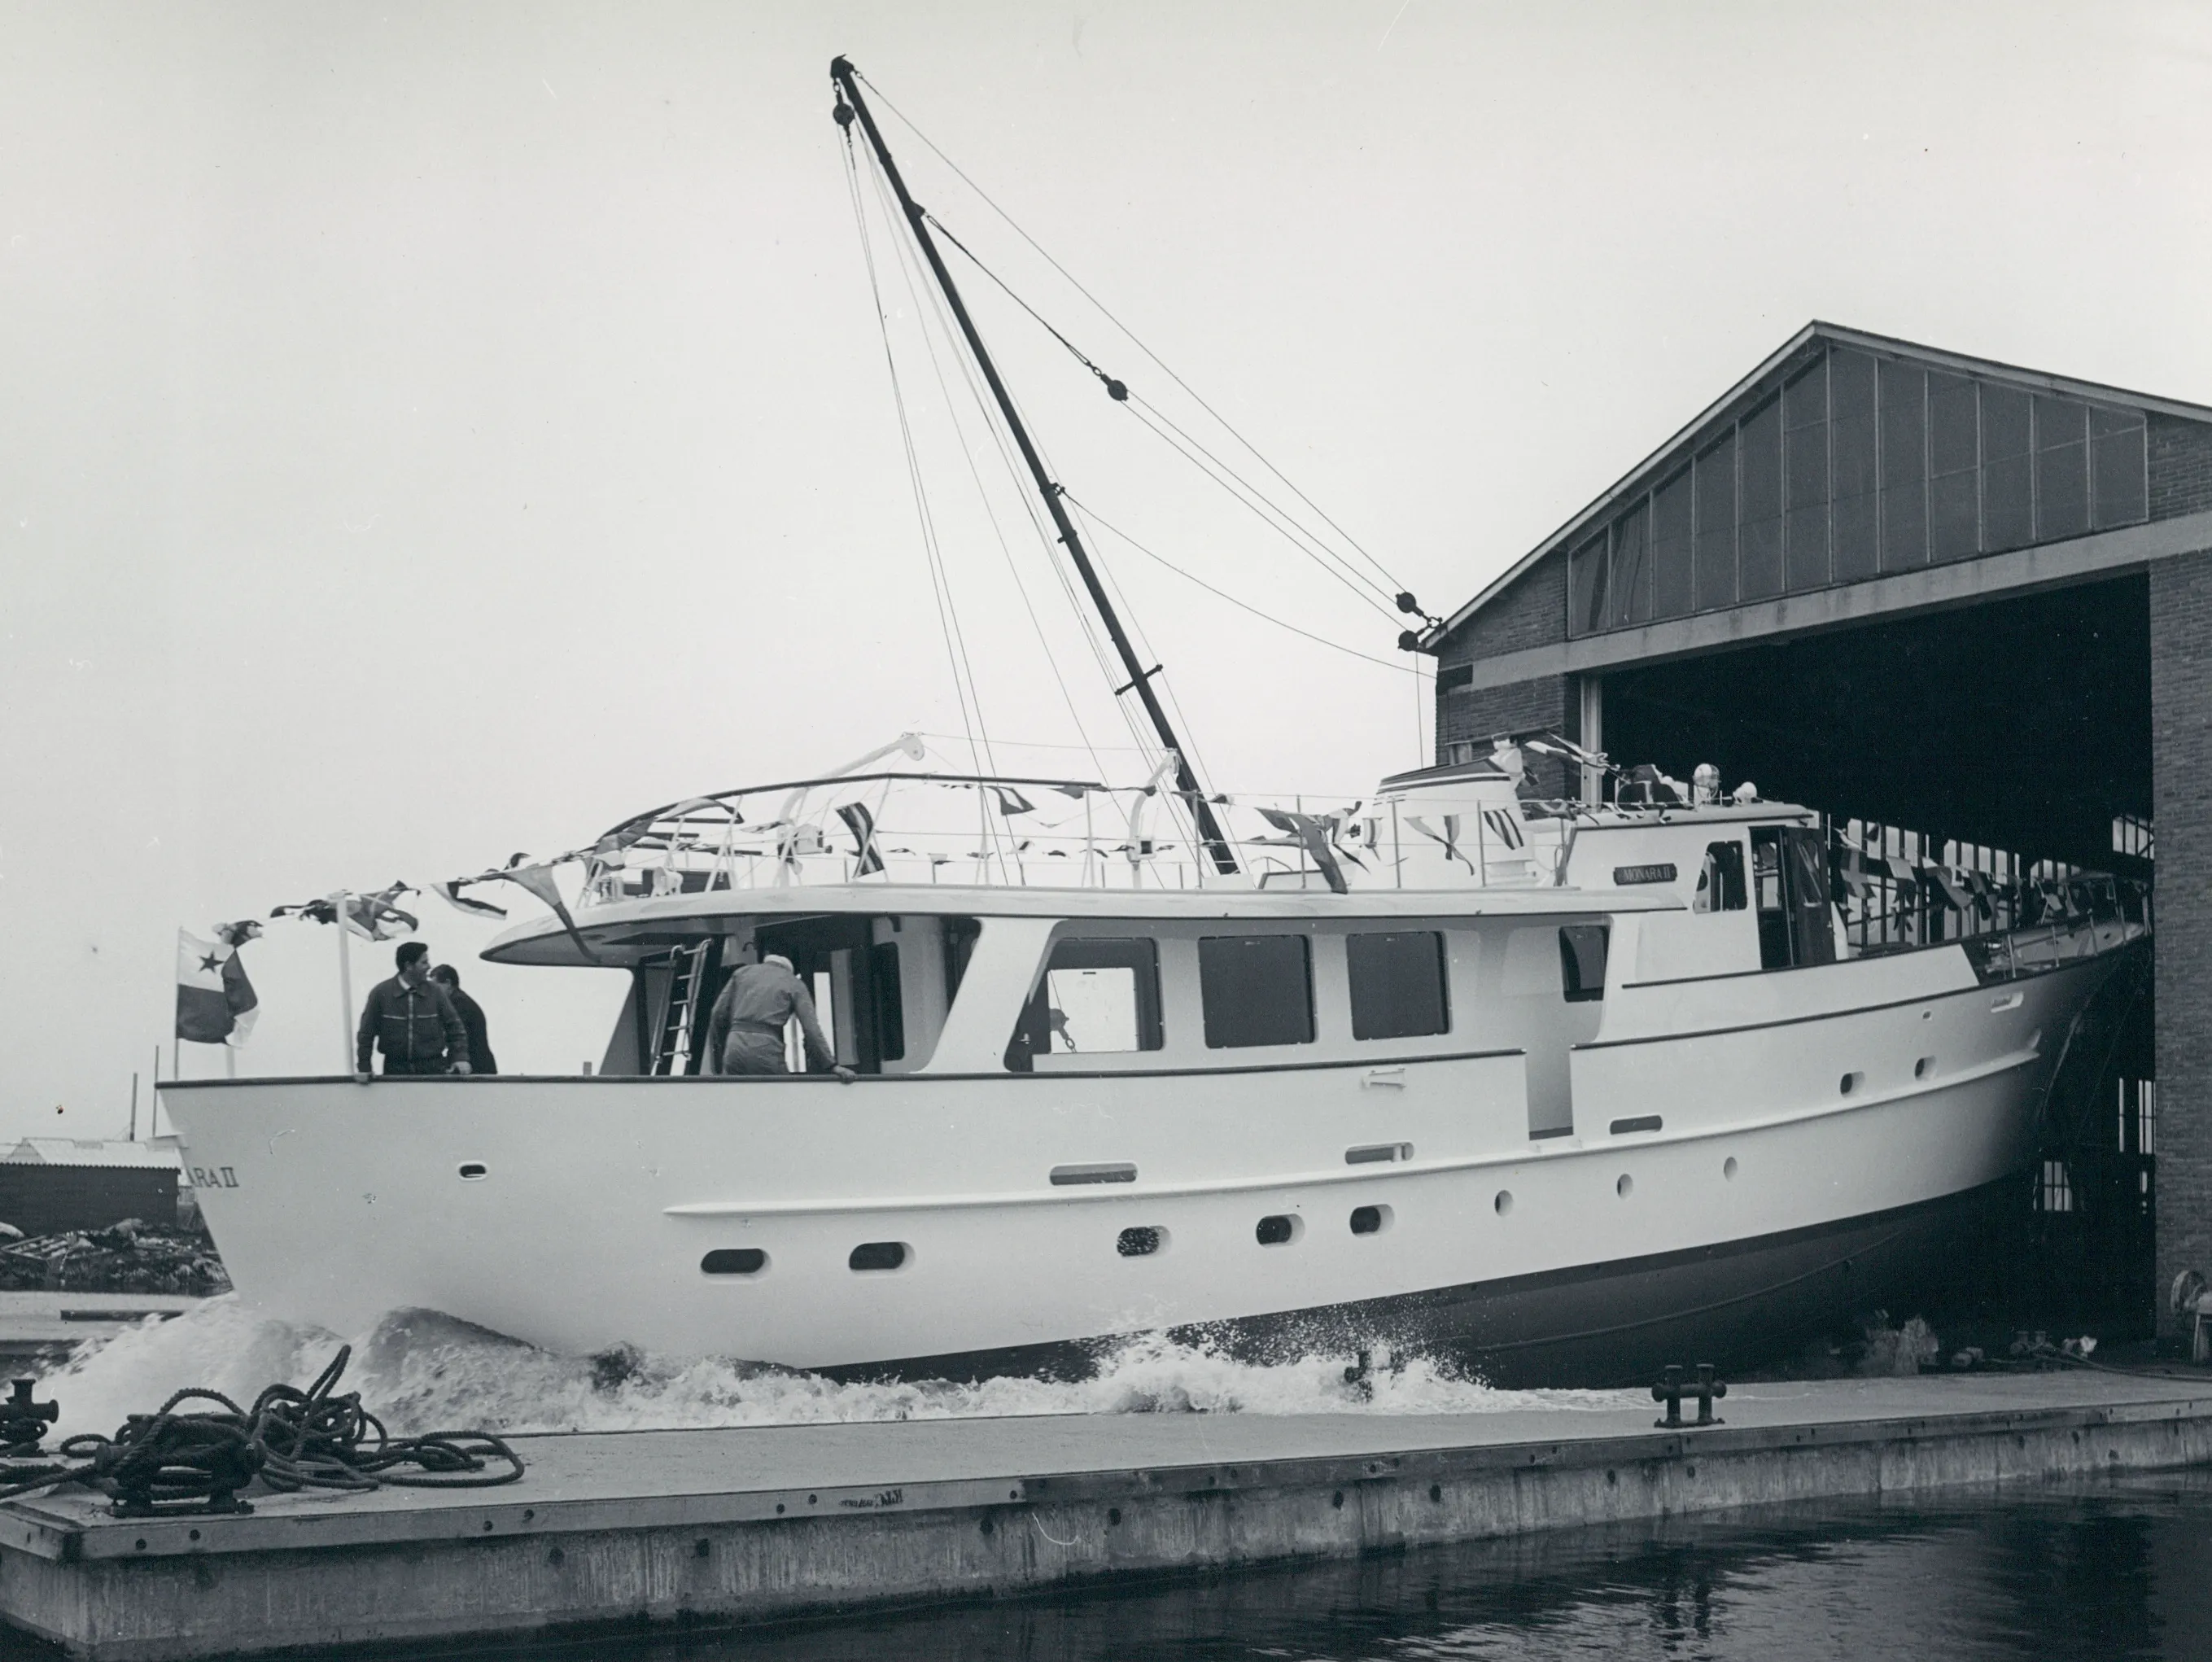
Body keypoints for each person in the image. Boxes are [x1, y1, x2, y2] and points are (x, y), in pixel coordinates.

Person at [703, 947, 855, 1081]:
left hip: (734, 1045)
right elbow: (811, 1030)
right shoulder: (794, 983)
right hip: (765, 1047)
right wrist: (831, 1065)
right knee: (783, 1094)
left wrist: (723, 1050)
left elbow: (717, 1013)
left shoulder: (741, 973)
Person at [355, 942, 470, 1081]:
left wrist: (460, 1058)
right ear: (409, 966)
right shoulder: (381, 993)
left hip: (433, 1069)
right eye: (424, 962)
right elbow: (366, 1033)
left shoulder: (436, 992)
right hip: (395, 1070)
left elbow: (455, 1028)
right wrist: (364, 1068)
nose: (429, 966)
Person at [429, 964, 498, 1076]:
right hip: (477, 1064)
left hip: (475, 1067)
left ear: (448, 983)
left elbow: (453, 1035)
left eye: (436, 986)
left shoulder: (459, 1003)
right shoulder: (460, 1000)